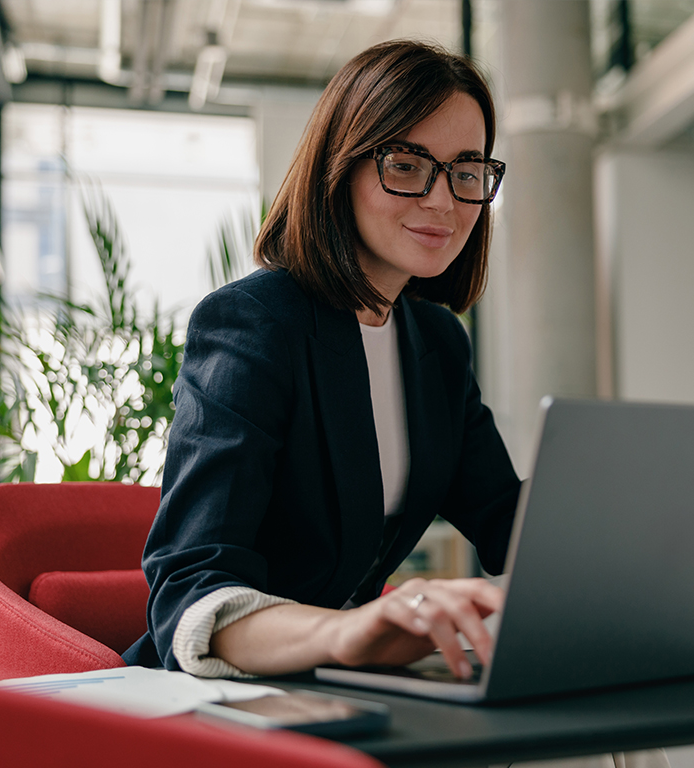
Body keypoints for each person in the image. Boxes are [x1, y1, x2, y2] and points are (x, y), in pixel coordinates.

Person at [123, 40, 519, 681]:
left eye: (467, 171)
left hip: (348, 685)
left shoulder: (436, 341)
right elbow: (192, 587)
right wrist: (349, 631)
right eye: (407, 164)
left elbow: (505, 517)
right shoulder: (255, 324)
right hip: (227, 694)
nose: (444, 201)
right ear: (341, 169)